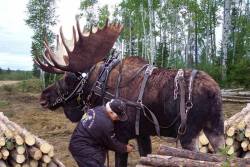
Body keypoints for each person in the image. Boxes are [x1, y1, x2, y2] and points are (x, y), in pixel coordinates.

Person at [69, 99, 134, 167]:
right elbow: (111, 143)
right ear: (111, 112)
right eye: (118, 117)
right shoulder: (105, 124)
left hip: (78, 143)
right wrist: (125, 148)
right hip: (84, 149)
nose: (118, 119)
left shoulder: (98, 109)